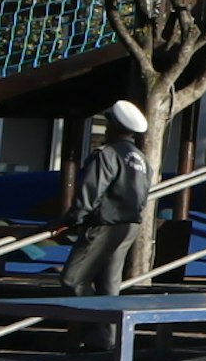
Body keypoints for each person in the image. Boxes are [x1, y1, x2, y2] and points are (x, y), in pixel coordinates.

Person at [62, 101, 152, 294]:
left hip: (104, 225)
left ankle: (94, 324)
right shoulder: (141, 159)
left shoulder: (106, 154)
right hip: (129, 226)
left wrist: (71, 219)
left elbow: (90, 192)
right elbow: (142, 195)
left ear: (113, 126)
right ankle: (110, 324)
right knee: (109, 286)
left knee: (73, 279)